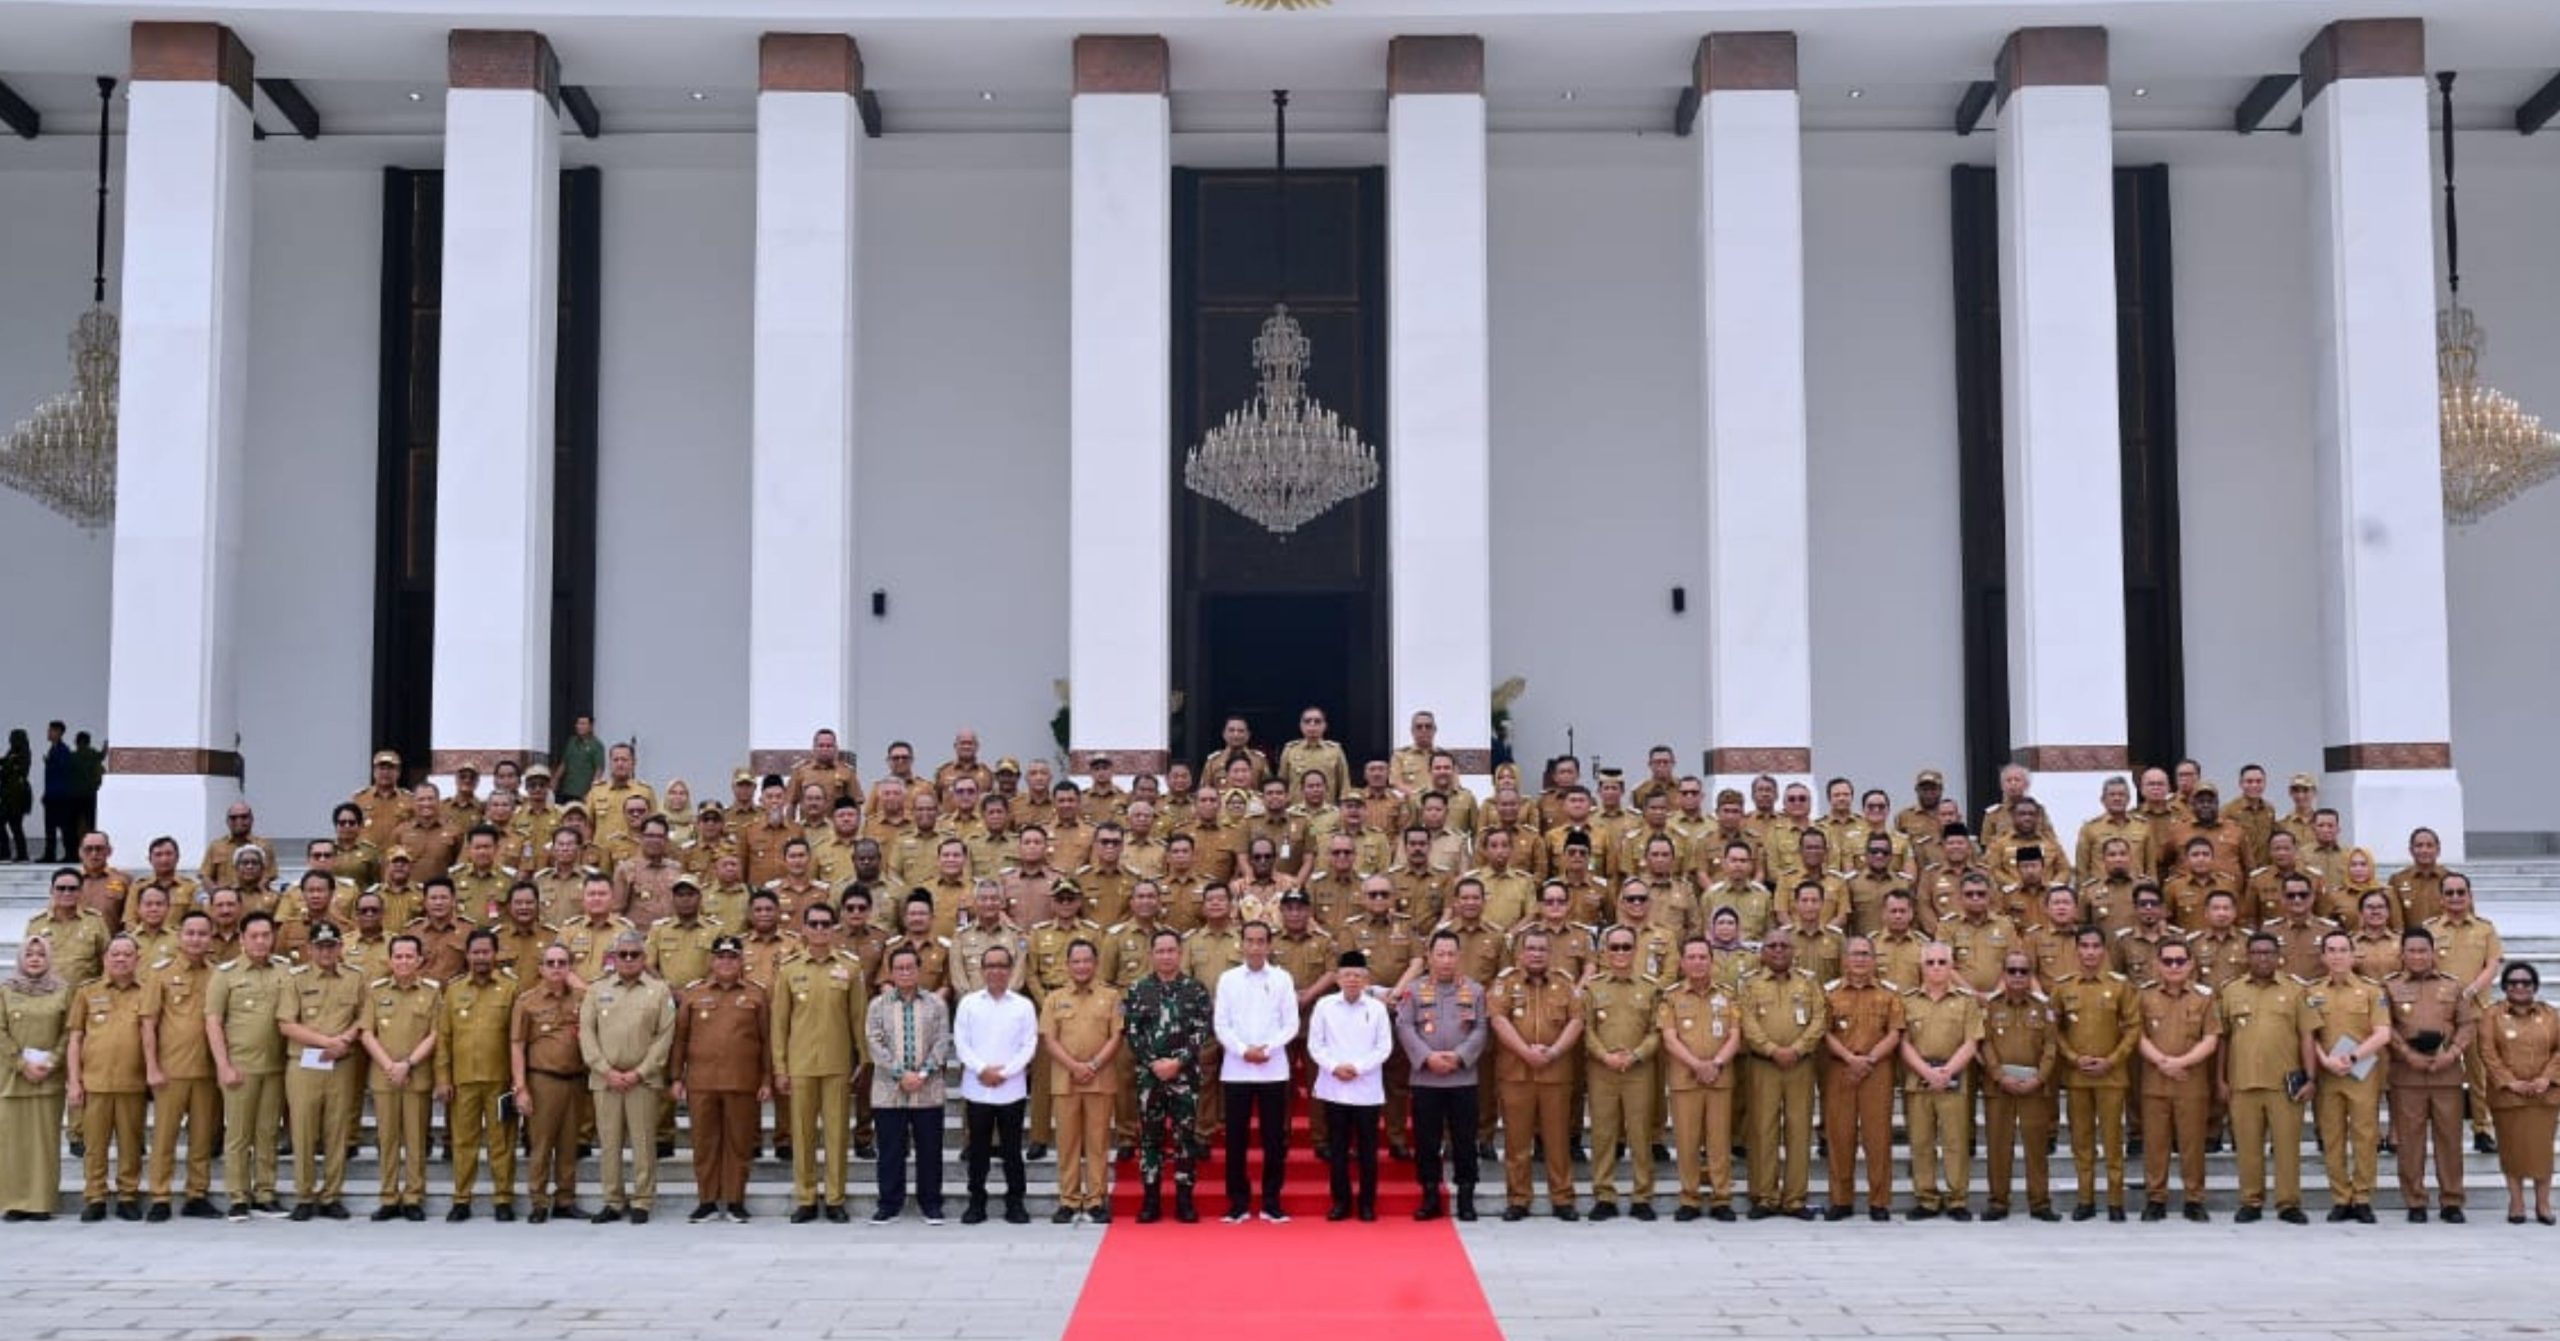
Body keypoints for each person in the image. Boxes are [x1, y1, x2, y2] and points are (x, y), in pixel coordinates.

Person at [773, 903, 866, 1222]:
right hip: (800, 1064)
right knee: (802, 1134)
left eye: (826, 924)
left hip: (837, 1062)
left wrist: (863, 1060)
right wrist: (780, 1067)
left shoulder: (850, 968)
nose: (820, 929)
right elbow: (779, 1023)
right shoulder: (789, 968)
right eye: (814, 923)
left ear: (834, 928)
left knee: (837, 1135)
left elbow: (858, 1018)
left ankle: (836, 1197)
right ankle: (807, 1197)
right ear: (805, 928)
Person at [2215, 932, 2313, 1224]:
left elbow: (2307, 1036)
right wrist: (2220, 1079)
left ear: (2278, 956)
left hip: (2286, 1084)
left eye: (2268, 952)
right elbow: (2222, 1039)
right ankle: (2251, 1200)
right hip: (2242, 1081)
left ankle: (2288, 1203)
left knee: (2287, 1147)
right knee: (2247, 1147)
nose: (2262, 958)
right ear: (2247, 956)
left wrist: (2311, 1077)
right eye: (2256, 952)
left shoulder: (2295, 990)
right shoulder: (2231, 991)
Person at [581, 929, 676, 1224]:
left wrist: (640, 1072)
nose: (629, 960)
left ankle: (643, 1200)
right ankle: (612, 1200)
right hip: (605, 1080)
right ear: (614, 958)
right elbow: (586, 1033)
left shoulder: (659, 990)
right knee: (609, 1143)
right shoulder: (597, 990)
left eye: (635, 955)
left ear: (644, 958)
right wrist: (605, 1070)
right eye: (623, 955)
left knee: (643, 1141)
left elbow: (664, 1036)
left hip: (643, 1081)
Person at [2385, 926, 2480, 1222]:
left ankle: (2451, 1200)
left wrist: (2452, 1053)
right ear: (2402, 954)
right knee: (2410, 1141)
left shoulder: (2453, 986)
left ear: (2433, 953)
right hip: (2407, 1075)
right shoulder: (2388, 987)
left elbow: (2467, 1024)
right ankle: (2415, 1201)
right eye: (2411, 951)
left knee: (2449, 1139)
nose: (2417, 956)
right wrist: (2408, 1054)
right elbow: (2384, 1027)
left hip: (2446, 1074)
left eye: (2422, 950)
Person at [1490, 926, 1582, 1220]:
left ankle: (1562, 1198)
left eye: (1542, 949)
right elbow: (1499, 1021)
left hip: (1556, 1074)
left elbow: (1577, 1022)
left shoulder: (1566, 983)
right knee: (1517, 1141)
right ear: (1520, 953)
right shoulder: (1505, 983)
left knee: (1557, 1140)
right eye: (1531, 948)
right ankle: (1518, 1198)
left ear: (1550, 954)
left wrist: (1553, 1053)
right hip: (1516, 1074)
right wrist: (1525, 1052)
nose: (1537, 954)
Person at [1120, 930, 1211, 1224]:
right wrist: (1154, 1063)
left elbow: (1201, 1031)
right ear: (1151, 955)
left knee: (1185, 1139)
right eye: (1160, 951)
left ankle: (1185, 1201)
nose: (1166, 956)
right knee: (1150, 1140)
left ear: (1180, 953)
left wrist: (1178, 1062)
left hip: (1185, 1077)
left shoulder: (1195, 990)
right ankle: (1151, 1201)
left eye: (1171, 951)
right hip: (1150, 1077)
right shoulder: (1138, 990)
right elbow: (1132, 1033)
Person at [276, 923, 364, 1221]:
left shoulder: (355, 978)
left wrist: (345, 1042)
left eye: (331, 945)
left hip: (341, 1063)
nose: (326, 952)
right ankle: (304, 1195)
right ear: (310, 949)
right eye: (320, 946)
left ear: (340, 947)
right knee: (303, 1131)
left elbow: (365, 1017)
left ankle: (331, 1195)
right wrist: (326, 1042)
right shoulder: (295, 979)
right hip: (305, 1062)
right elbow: (286, 1023)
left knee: (336, 1131)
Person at [1215, 919, 1299, 1223]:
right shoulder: (1228, 979)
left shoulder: (1282, 979)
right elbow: (1221, 1024)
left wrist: (1267, 1048)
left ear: (1269, 945)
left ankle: (1271, 1201)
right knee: (1235, 1139)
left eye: (1260, 941)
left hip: (1273, 1069)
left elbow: (1291, 1023)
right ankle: (1237, 1202)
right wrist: (1242, 1050)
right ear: (1241, 943)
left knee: (1274, 1139)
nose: (1254, 947)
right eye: (1249, 940)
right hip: (1236, 1070)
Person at [1741, 927, 1827, 1219]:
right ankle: (1764, 1196)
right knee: (1763, 1131)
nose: (1778, 950)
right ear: (1762, 952)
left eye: (1784, 946)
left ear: (1794, 951)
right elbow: (1747, 1021)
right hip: (1763, 1066)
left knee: (1798, 1130)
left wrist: (1799, 1049)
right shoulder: (1750, 984)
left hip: (1800, 1066)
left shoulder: (1808, 982)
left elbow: (1819, 1017)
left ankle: (1794, 1198)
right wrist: (1771, 1050)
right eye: (1772, 946)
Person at [436, 928, 522, 1221]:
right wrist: (443, 1078)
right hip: (463, 1081)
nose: (481, 957)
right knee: (463, 1143)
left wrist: (518, 1082)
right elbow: (444, 1038)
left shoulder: (511, 989)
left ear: (495, 955)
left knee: (503, 1142)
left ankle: (503, 1198)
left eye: (486, 952)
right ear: (468, 955)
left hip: (501, 1080)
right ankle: (461, 1198)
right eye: (476, 952)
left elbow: (518, 1038)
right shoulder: (454, 990)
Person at [140, 910, 221, 1219]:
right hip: (170, 1071)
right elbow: (148, 1024)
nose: (196, 939)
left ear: (210, 937)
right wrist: (152, 1067)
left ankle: (196, 1194)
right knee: (164, 1137)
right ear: (179, 936)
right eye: (190, 933)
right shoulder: (160, 974)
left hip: (206, 1071)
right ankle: (160, 1196)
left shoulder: (218, 975)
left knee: (202, 1137)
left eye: (202, 933)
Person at [1657, 935, 1742, 1222]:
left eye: (1702, 957)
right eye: (1691, 957)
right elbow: (1669, 1038)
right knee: (1687, 1140)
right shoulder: (1671, 997)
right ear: (1682, 963)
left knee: (1719, 1142)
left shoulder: (1728, 995)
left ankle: (1721, 1198)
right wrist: (1696, 1064)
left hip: (1720, 1077)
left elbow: (1735, 1034)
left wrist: (1716, 1063)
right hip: (1686, 1078)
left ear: (1711, 961)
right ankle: (1689, 1198)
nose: (1697, 962)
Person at [2308, 929, 2391, 1223]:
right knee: (2332, 1137)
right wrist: (2324, 1061)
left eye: (2343, 950)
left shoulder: (2371, 990)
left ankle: (2363, 1196)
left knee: (2365, 1136)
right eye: (2331, 950)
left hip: (2361, 1072)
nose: (2337, 956)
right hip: (2328, 1073)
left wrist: (2354, 1057)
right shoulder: (2313, 992)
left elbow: (2383, 1032)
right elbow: (2308, 1035)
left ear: (2354, 955)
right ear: (2323, 956)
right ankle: (2341, 1197)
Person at [955, 944, 1040, 1225]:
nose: (995, 971)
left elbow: (1029, 1044)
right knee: (977, 1150)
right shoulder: (968, 1003)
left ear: (1010, 969)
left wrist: (1006, 1072)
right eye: (990, 966)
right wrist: (982, 1069)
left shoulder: (1023, 1005)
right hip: (977, 1088)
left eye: (1001, 966)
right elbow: (961, 1042)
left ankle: (1015, 1201)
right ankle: (976, 1201)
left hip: (1011, 1088)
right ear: (982, 970)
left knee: (1012, 1150)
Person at [868, 944, 953, 1225]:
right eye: (899, 968)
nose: (905, 972)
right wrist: (900, 1074)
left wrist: (923, 1073)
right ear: (891, 973)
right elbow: (874, 1041)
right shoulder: (878, 1005)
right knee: (890, 1150)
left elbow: (942, 1041)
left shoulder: (935, 1004)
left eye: (910, 967)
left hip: (927, 1089)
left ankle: (931, 1203)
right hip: (889, 1090)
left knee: (930, 1149)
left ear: (919, 971)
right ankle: (889, 1203)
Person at [1581, 926, 1662, 1220]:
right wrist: (1605, 1056)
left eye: (1626, 947)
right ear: (1605, 951)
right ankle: (1604, 1194)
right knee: (1603, 1133)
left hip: (1638, 1068)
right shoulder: (1593, 987)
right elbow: (1586, 1028)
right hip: (1602, 1069)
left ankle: (1642, 1195)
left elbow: (1657, 1031)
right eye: (1614, 947)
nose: (1620, 953)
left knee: (1640, 1133)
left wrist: (1637, 1054)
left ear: (1635, 949)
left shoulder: (1650, 987)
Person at [1822, 936, 1904, 1221]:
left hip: (1876, 1069)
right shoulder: (1829, 993)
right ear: (1844, 959)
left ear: (1873, 959)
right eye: (1854, 954)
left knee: (1877, 1136)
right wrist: (1849, 1058)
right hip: (1840, 1068)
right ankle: (1841, 1199)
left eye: (1865, 954)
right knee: (1840, 1135)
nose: (1859, 959)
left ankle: (1879, 1201)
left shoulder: (1889, 994)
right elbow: (1824, 1031)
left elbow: (1895, 1032)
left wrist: (1869, 1059)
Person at [360, 933, 440, 1221]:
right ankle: (389, 1196)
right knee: (387, 1139)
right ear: (389, 960)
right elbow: (367, 1033)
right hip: (384, 1077)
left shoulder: (432, 992)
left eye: (409, 956)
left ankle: (414, 1196)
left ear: (420, 960)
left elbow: (435, 1033)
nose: (404, 961)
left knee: (416, 1140)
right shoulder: (376, 990)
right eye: (398, 956)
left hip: (416, 1075)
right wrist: (389, 1065)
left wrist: (407, 1063)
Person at [2136, 940, 2218, 1221]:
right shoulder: (2144, 997)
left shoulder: (2204, 997)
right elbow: (2138, 1036)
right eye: (2168, 961)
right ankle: (2156, 1198)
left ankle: (2194, 1198)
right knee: (2155, 1144)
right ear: (2157, 964)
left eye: (2179, 961)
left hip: (2190, 1082)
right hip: (2154, 1082)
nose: (2174, 966)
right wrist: (2162, 1062)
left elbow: (2211, 1038)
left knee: (2192, 1144)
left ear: (2191, 964)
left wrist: (2180, 1063)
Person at [1902, 941, 1985, 1219]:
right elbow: (1903, 1043)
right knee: (1921, 1141)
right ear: (1921, 967)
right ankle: (1926, 1198)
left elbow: (1972, 1041)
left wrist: (1948, 1071)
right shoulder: (1908, 1000)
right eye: (1930, 962)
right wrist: (1926, 1072)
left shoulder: (1965, 1000)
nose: (1936, 967)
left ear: (1951, 966)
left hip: (1955, 1078)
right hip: (1919, 1079)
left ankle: (1957, 1199)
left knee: (1955, 1141)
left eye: (1942, 962)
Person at [67, 934, 148, 1221]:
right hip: (95, 1083)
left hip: (133, 1083)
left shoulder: (147, 992)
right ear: (105, 959)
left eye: (127, 954)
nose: (121, 959)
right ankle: (95, 1196)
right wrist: (74, 1081)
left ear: (138, 959)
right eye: (115, 954)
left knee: (130, 1144)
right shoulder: (87, 992)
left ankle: (128, 1195)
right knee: (94, 1146)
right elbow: (75, 1038)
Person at [1309, 950, 1392, 1220]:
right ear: (1337, 978)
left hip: (1367, 1089)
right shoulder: (1324, 1006)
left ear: (1366, 979)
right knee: (1338, 1149)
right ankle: (1341, 1202)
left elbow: (1384, 1047)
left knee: (1368, 1151)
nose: (1352, 980)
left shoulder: (1377, 1008)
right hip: (1334, 1087)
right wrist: (1334, 1067)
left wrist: (1358, 1068)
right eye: (1347, 975)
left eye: (1358, 975)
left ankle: (1367, 1203)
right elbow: (1315, 1045)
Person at [1980, 949, 2062, 1221]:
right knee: (1998, 1146)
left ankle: (2040, 1202)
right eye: (2012, 971)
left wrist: (2039, 1078)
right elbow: (1985, 1044)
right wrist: (1999, 1076)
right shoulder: (1991, 1007)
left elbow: (2051, 1046)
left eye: (2023, 971)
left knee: (2036, 1147)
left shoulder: (2043, 1008)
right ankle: (1998, 1202)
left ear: (2031, 976)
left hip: (2034, 1088)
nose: (2017, 976)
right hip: (1999, 1087)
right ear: (2003, 975)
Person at [510, 942, 588, 1222]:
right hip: (543, 1080)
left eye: (562, 963)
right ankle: (539, 1201)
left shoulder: (581, 998)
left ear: (570, 968)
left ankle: (565, 1199)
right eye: (551, 963)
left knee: (569, 1144)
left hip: (575, 1080)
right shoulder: (527, 1001)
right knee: (541, 1144)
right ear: (540, 968)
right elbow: (517, 1044)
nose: (556, 968)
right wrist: (521, 1088)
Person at [2482, 961, 2560, 1224]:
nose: (2519, 987)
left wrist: (2546, 1078)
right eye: (2513, 982)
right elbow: (2488, 1053)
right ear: (2504, 986)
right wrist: (2510, 1082)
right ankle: (2516, 1204)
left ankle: (2543, 1204)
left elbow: (2559, 1051)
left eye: (2525, 982)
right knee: (2511, 1150)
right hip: (2508, 1096)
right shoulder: (2491, 1015)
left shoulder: (2551, 1015)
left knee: (2542, 1151)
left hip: (2544, 1095)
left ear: (2535, 986)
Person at [0, 935, 71, 1220]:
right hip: (12, 1078)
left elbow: (69, 1031)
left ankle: (41, 1203)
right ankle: (15, 1202)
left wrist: (52, 1061)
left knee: (45, 1144)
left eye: (41, 954)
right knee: (12, 1143)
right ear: (21, 958)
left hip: (48, 1079)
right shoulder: (6, 990)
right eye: (29, 954)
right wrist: (20, 1063)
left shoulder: (63, 991)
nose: (35, 959)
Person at [553, 715, 606, 814]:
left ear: (590, 726)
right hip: (566, 791)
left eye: (583, 723)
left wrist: (591, 792)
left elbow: (599, 770)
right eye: (578, 723)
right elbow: (564, 763)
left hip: (583, 793)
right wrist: (555, 780)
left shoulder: (596, 745)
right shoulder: (571, 741)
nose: (579, 726)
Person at [39, 722, 72, 864]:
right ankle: (50, 854)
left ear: (58, 732)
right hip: (52, 795)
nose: (48, 733)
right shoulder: (54, 749)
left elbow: (64, 772)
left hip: (59, 796)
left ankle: (69, 855)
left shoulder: (63, 750)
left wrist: (50, 763)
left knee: (63, 827)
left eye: (51, 730)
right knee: (50, 827)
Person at [0, 726, 30, 862]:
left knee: (14, 825)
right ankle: (18, 854)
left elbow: (11, 770)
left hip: (16, 796)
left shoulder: (21, 753)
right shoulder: (13, 753)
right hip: (10, 795)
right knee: (15, 826)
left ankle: (8, 853)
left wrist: (7, 764)